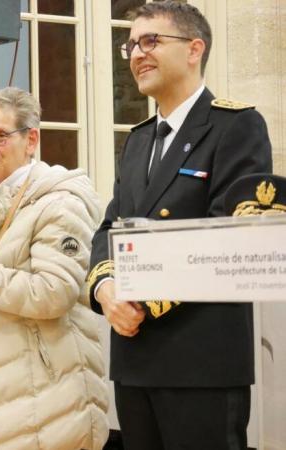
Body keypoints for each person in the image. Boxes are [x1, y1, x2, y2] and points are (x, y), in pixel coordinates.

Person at [86, 2, 273, 449]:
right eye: (130, 44)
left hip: (201, 360)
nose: (135, 53)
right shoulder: (137, 141)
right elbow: (110, 228)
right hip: (135, 357)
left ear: (194, 49)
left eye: (151, 41)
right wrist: (105, 290)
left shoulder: (236, 126)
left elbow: (231, 234)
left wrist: (142, 300)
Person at [0, 87, 109, 450]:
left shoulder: (59, 202)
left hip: (50, 395)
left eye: (0, 136)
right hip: (5, 388)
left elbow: (53, 293)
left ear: (31, 139)